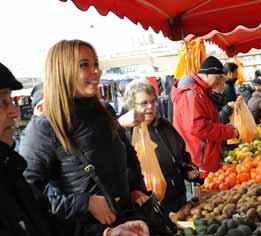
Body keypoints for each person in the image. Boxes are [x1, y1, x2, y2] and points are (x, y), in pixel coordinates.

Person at [0, 62, 149, 236]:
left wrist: (108, 232)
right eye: (3, 102)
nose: (15, 111)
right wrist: (84, 203)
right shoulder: (42, 130)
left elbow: (47, 221)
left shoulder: (104, 113)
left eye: (95, 63)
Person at [123, 80, 199, 213]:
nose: (150, 106)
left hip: (178, 197)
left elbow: (181, 154)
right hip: (152, 205)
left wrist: (187, 168)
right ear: (131, 106)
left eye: (153, 101)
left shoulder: (164, 126)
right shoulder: (126, 135)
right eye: (144, 103)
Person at [171, 56, 238, 178]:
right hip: (199, 158)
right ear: (206, 74)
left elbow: (208, 120)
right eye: (217, 78)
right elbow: (198, 127)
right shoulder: (191, 94)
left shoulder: (201, 91)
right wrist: (227, 131)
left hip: (204, 154)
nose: (219, 82)